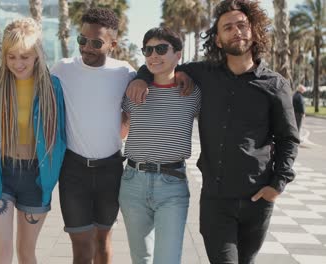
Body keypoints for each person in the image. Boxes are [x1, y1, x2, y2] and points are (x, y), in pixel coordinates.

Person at [127, 1, 299, 263]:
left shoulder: (275, 84)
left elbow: (288, 138)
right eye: (228, 27)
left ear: (253, 32)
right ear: (218, 40)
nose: (236, 31)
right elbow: (162, 63)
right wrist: (141, 76)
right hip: (215, 200)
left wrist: (278, 184)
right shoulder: (203, 74)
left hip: (257, 198)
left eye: (242, 25)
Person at [0, 18, 66, 264]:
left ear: (37, 54)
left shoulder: (53, 87)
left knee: (27, 253)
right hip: (0, 175)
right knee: (2, 253)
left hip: (37, 178)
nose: (18, 63)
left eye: (25, 56)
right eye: (11, 56)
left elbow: (61, 135)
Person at [50, 7, 136, 263]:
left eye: (96, 42)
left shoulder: (125, 72)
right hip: (73, 170)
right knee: (81, 247)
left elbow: (135, 106)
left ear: (112, 43)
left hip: (111, 169)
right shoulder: (61, 69)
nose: (86, 47)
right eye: (82, 40)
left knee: (103, 242)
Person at [119, 26, 201, 264]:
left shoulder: (193, 93)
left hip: (172, 185)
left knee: (167, 259)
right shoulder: (132, 91)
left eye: (161, 49)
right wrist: (140, 77)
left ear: (178, 54)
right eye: (148, 50)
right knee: (141, 258)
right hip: (132, 182)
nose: (153, 55)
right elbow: (120, 127)